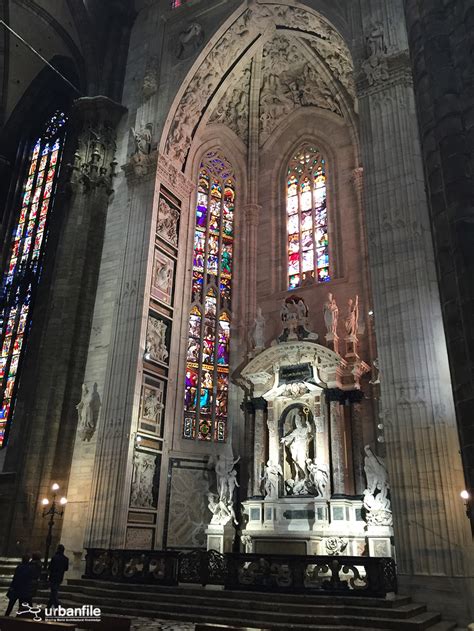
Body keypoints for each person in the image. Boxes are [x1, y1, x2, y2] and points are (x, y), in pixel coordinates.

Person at [48, 544, 69, 608]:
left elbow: (50, 567)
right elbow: (66, 568)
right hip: (60, 576)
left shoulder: (54, 557)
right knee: (54, 591)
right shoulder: (66, 559)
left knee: (53, 591)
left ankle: (57, 605)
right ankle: (48, 606)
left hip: (53, 576)